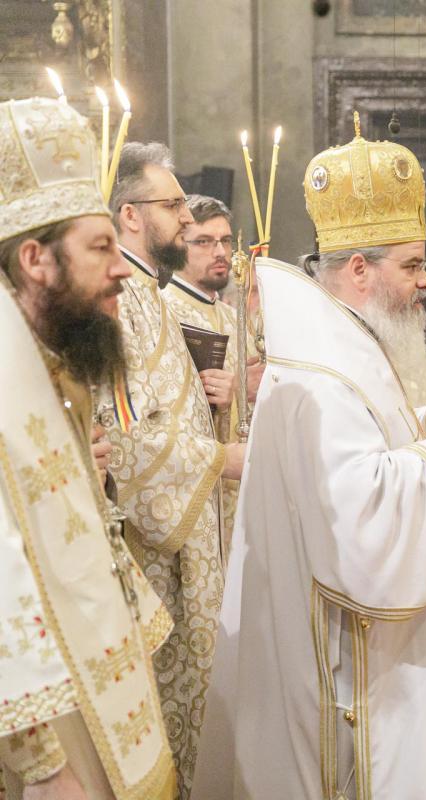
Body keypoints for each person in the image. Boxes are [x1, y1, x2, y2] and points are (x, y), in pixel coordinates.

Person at [193, 115, 426, 799]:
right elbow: (361, 511)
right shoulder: (319, 370)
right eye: (414, 264)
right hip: (352, 666)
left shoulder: (345, 343)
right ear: (360, 268)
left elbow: (377, 443)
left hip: (379, 647)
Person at [0, 97, 176, 800]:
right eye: (100, 248)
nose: (124, 268)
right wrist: (43, 766)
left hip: (90, 681)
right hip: (37, 722)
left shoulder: (57, 362)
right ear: (36, 259)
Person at [105, 142, 245, 798]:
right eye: (172, 206)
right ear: (131, 215)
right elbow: (124, 439)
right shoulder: (117, 301)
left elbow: (173, 411)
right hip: (155, 548)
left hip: (191, 531)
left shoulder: (150, 294)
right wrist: (223, 458)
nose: (186, 223)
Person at [162, 194, 264, 544]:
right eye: (204, 242)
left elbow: (252, 389)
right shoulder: (165, 312)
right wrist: (235, 391)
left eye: (224, 240)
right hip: (196, 494)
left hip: (241, 493)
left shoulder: (230, 315)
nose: (219, 252)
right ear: (179, 246)